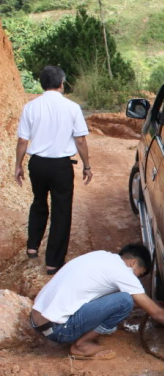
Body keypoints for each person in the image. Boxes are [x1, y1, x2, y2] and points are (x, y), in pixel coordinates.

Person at [29, 243, 164, 360]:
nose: (136, 280)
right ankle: (81, 346)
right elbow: (155, 314)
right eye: (139, 275)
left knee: (124, 299)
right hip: (58, 331)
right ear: (133, 263)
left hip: (37, 320)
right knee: (124, 300)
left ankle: (78, 338)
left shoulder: (100, 255)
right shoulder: (123, 272)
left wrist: (150, 303)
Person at [14, 65, 93, 275]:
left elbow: (23, 140)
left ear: (42, 84)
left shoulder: (31, 107)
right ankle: (53, 262)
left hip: (37, 164)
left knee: (39, 201)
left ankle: (32, 247)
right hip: (60, 166)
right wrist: (86, 165)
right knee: (61, 210)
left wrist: (18, 165)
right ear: (61, 83)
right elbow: (81, 140)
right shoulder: (72, 107)